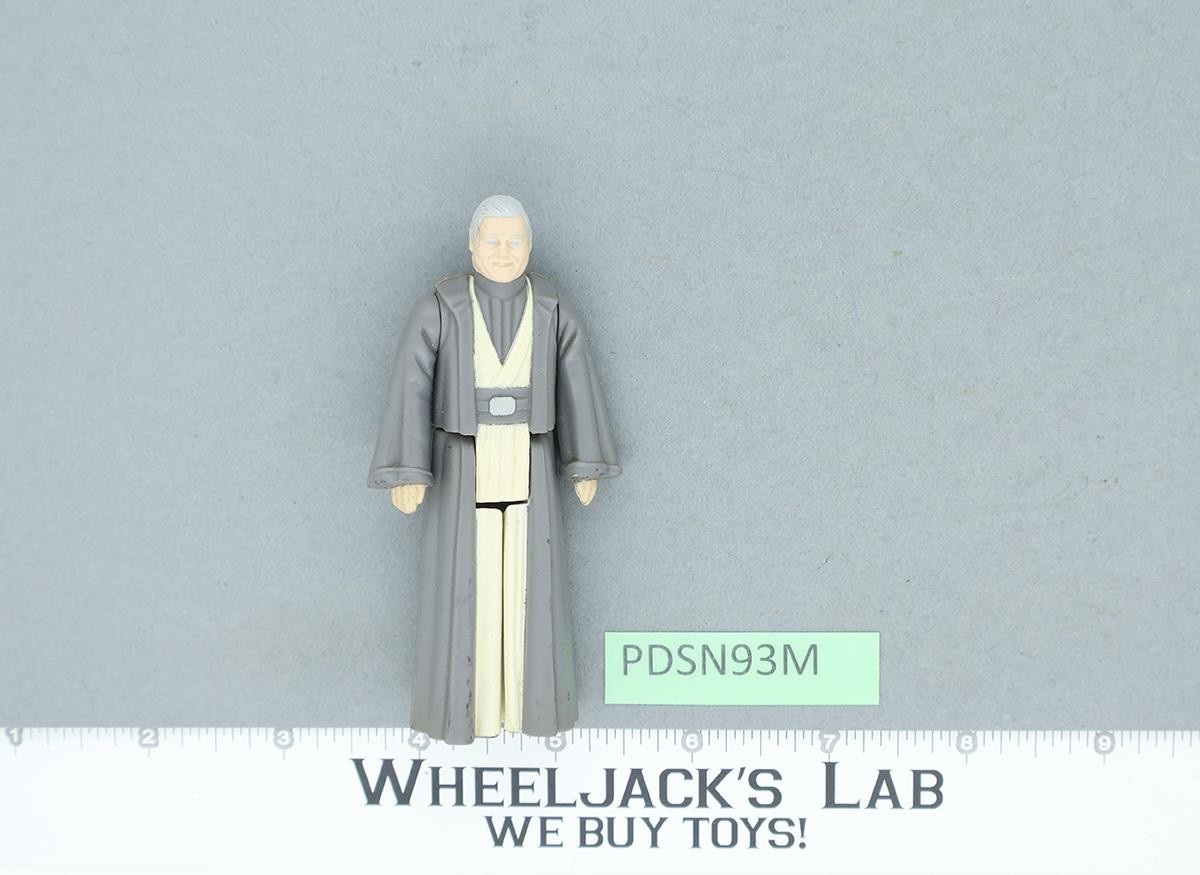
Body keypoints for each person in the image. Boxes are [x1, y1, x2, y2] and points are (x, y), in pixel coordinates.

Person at [367, 195, 621, 743]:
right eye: (493, 241)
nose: (503, 252)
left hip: (531, 455)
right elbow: (411, 381)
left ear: (529, 245)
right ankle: (473, 710)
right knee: (467, 588)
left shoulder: (550, 305)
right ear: (472, 244)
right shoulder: (442, 306)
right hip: (463, 459)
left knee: (531, 589)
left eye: (514, 242)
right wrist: (407, 468)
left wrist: (583, 461)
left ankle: (529, 707)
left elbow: (576, 378)